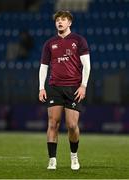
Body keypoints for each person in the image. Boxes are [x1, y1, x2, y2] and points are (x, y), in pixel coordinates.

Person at [39, 10, 91, 170]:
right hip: (54, 87)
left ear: (70, 23)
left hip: (74, 88)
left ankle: (74, 156)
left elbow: (87, 65)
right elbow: (43, 67)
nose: (59, 22)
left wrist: (83, 85)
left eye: (63, 20)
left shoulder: (79, 40)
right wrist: (41, 87)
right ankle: (52, 159)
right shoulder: (49, 43)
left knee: (72, 125)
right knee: (53, 123)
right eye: (57, 20)